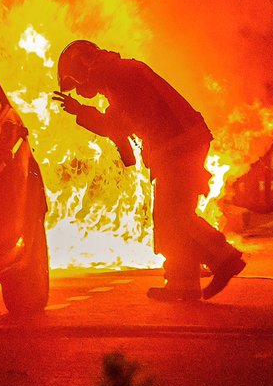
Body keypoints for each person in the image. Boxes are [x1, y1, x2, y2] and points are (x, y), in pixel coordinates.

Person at [53, 40, 246, 302]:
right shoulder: (117, 76)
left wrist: (82, 112)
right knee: (171, 219)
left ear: (83, 66)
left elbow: (119, 124)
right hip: (178, 144)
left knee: (175, 217)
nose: (80, 90)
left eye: (77, 83)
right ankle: (183, 286)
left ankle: (224, 258)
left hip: (178, 146)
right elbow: (123, 123)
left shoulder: (119, 76)